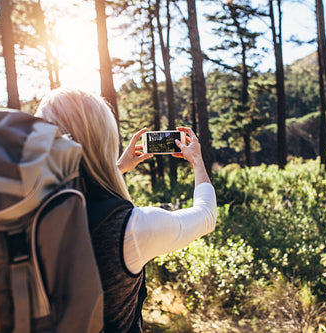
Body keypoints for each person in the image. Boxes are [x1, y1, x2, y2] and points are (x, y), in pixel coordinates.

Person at [35, 87, 217, 333]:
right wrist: (197, 161)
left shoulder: (23, 211)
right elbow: (206, 216)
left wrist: (118, 167)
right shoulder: (131, 228)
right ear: (104, 140)